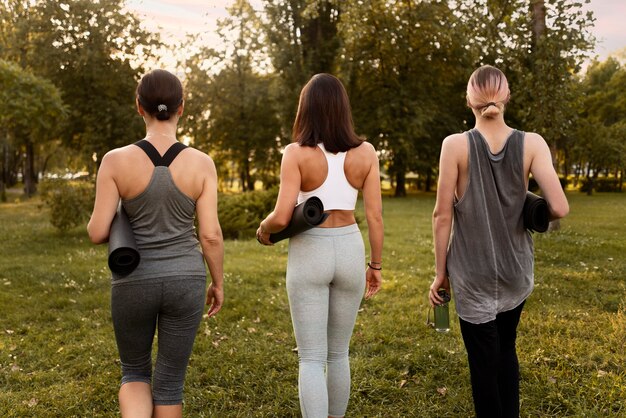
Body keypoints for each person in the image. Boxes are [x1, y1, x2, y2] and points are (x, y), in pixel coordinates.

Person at [429, 65, 569, 417]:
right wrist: (531, 210)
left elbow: (441, 216)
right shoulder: (532, 143)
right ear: (506, 96)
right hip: (515, 270)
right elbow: (560, 208)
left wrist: (440, 274)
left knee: (482, 364)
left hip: (471, 275)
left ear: (469, 100)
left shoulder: (454, 146)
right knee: (506, 349)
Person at [87, 69, 224, 418]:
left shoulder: (115, 161)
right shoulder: (202, 163)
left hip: (134, 281)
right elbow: (210, 234)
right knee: (170, 382)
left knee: (134, 372)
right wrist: (218, 282)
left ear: (138, 107)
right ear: (182, 107)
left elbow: (97, 231)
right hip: (186, 280)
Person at [256, 73, 384, 418]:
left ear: (306, 109)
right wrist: (375, 266)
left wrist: (264, 229)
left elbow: (282, 217)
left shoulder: (296, 153)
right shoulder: (366, 152)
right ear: (343, 109)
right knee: (338, 353)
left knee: (312, 357)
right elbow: (375, 217)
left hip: (310, 252)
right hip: (349, 249)